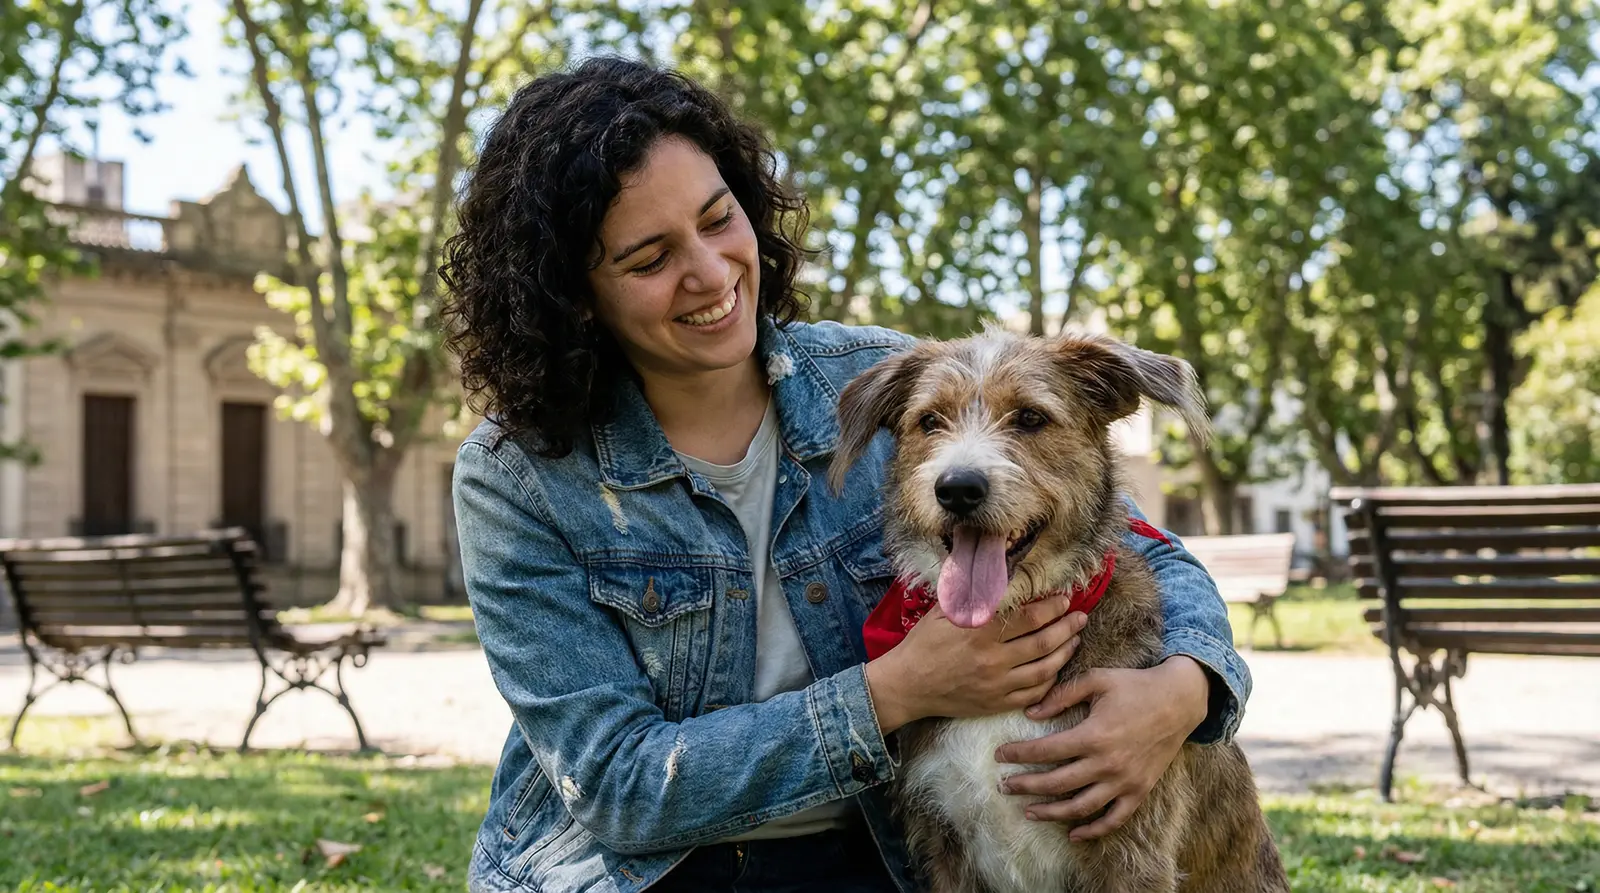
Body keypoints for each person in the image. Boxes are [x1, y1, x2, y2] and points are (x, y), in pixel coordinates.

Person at [438, 55, 1251, 893]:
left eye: (719, 219)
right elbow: (617, 785)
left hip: (861, 855)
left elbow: (1144, 547)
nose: (712, 274)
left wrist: (1186, 690)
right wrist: (892, 692)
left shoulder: (886, 384)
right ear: (574, 295)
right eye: (650, 259)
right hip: (633, 873)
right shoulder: (517, 479)